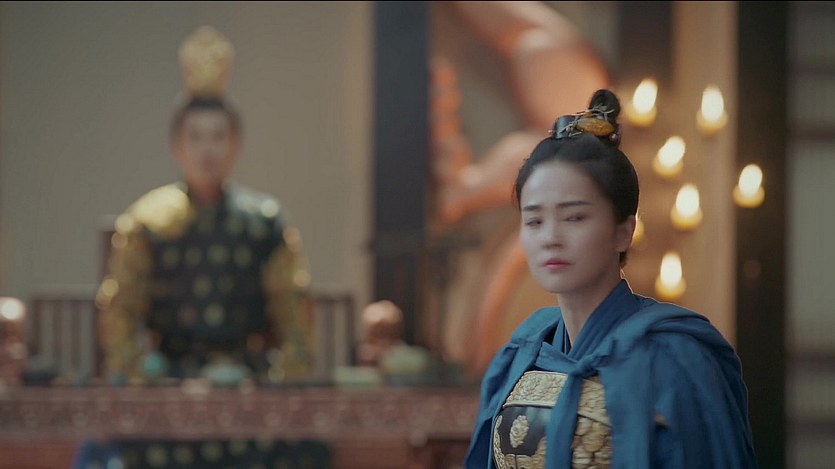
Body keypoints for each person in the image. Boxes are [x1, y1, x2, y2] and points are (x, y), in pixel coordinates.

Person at [464, 89, 757, 468]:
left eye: (574, 217)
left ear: (624, 231)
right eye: (534, 221)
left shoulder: (675, 358)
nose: (550, 237)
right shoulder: (524, 350)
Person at [96, 26, 314, 386]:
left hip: (247, 378)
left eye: (218, 136)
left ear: (236, 144)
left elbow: (293, 313)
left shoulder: (265, 221)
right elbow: (121, 309)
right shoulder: (147, 222)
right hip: (170, 378)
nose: (207, 150)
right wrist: (136, 376)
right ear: (176, 146)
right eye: (195, 137)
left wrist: (286, 379)